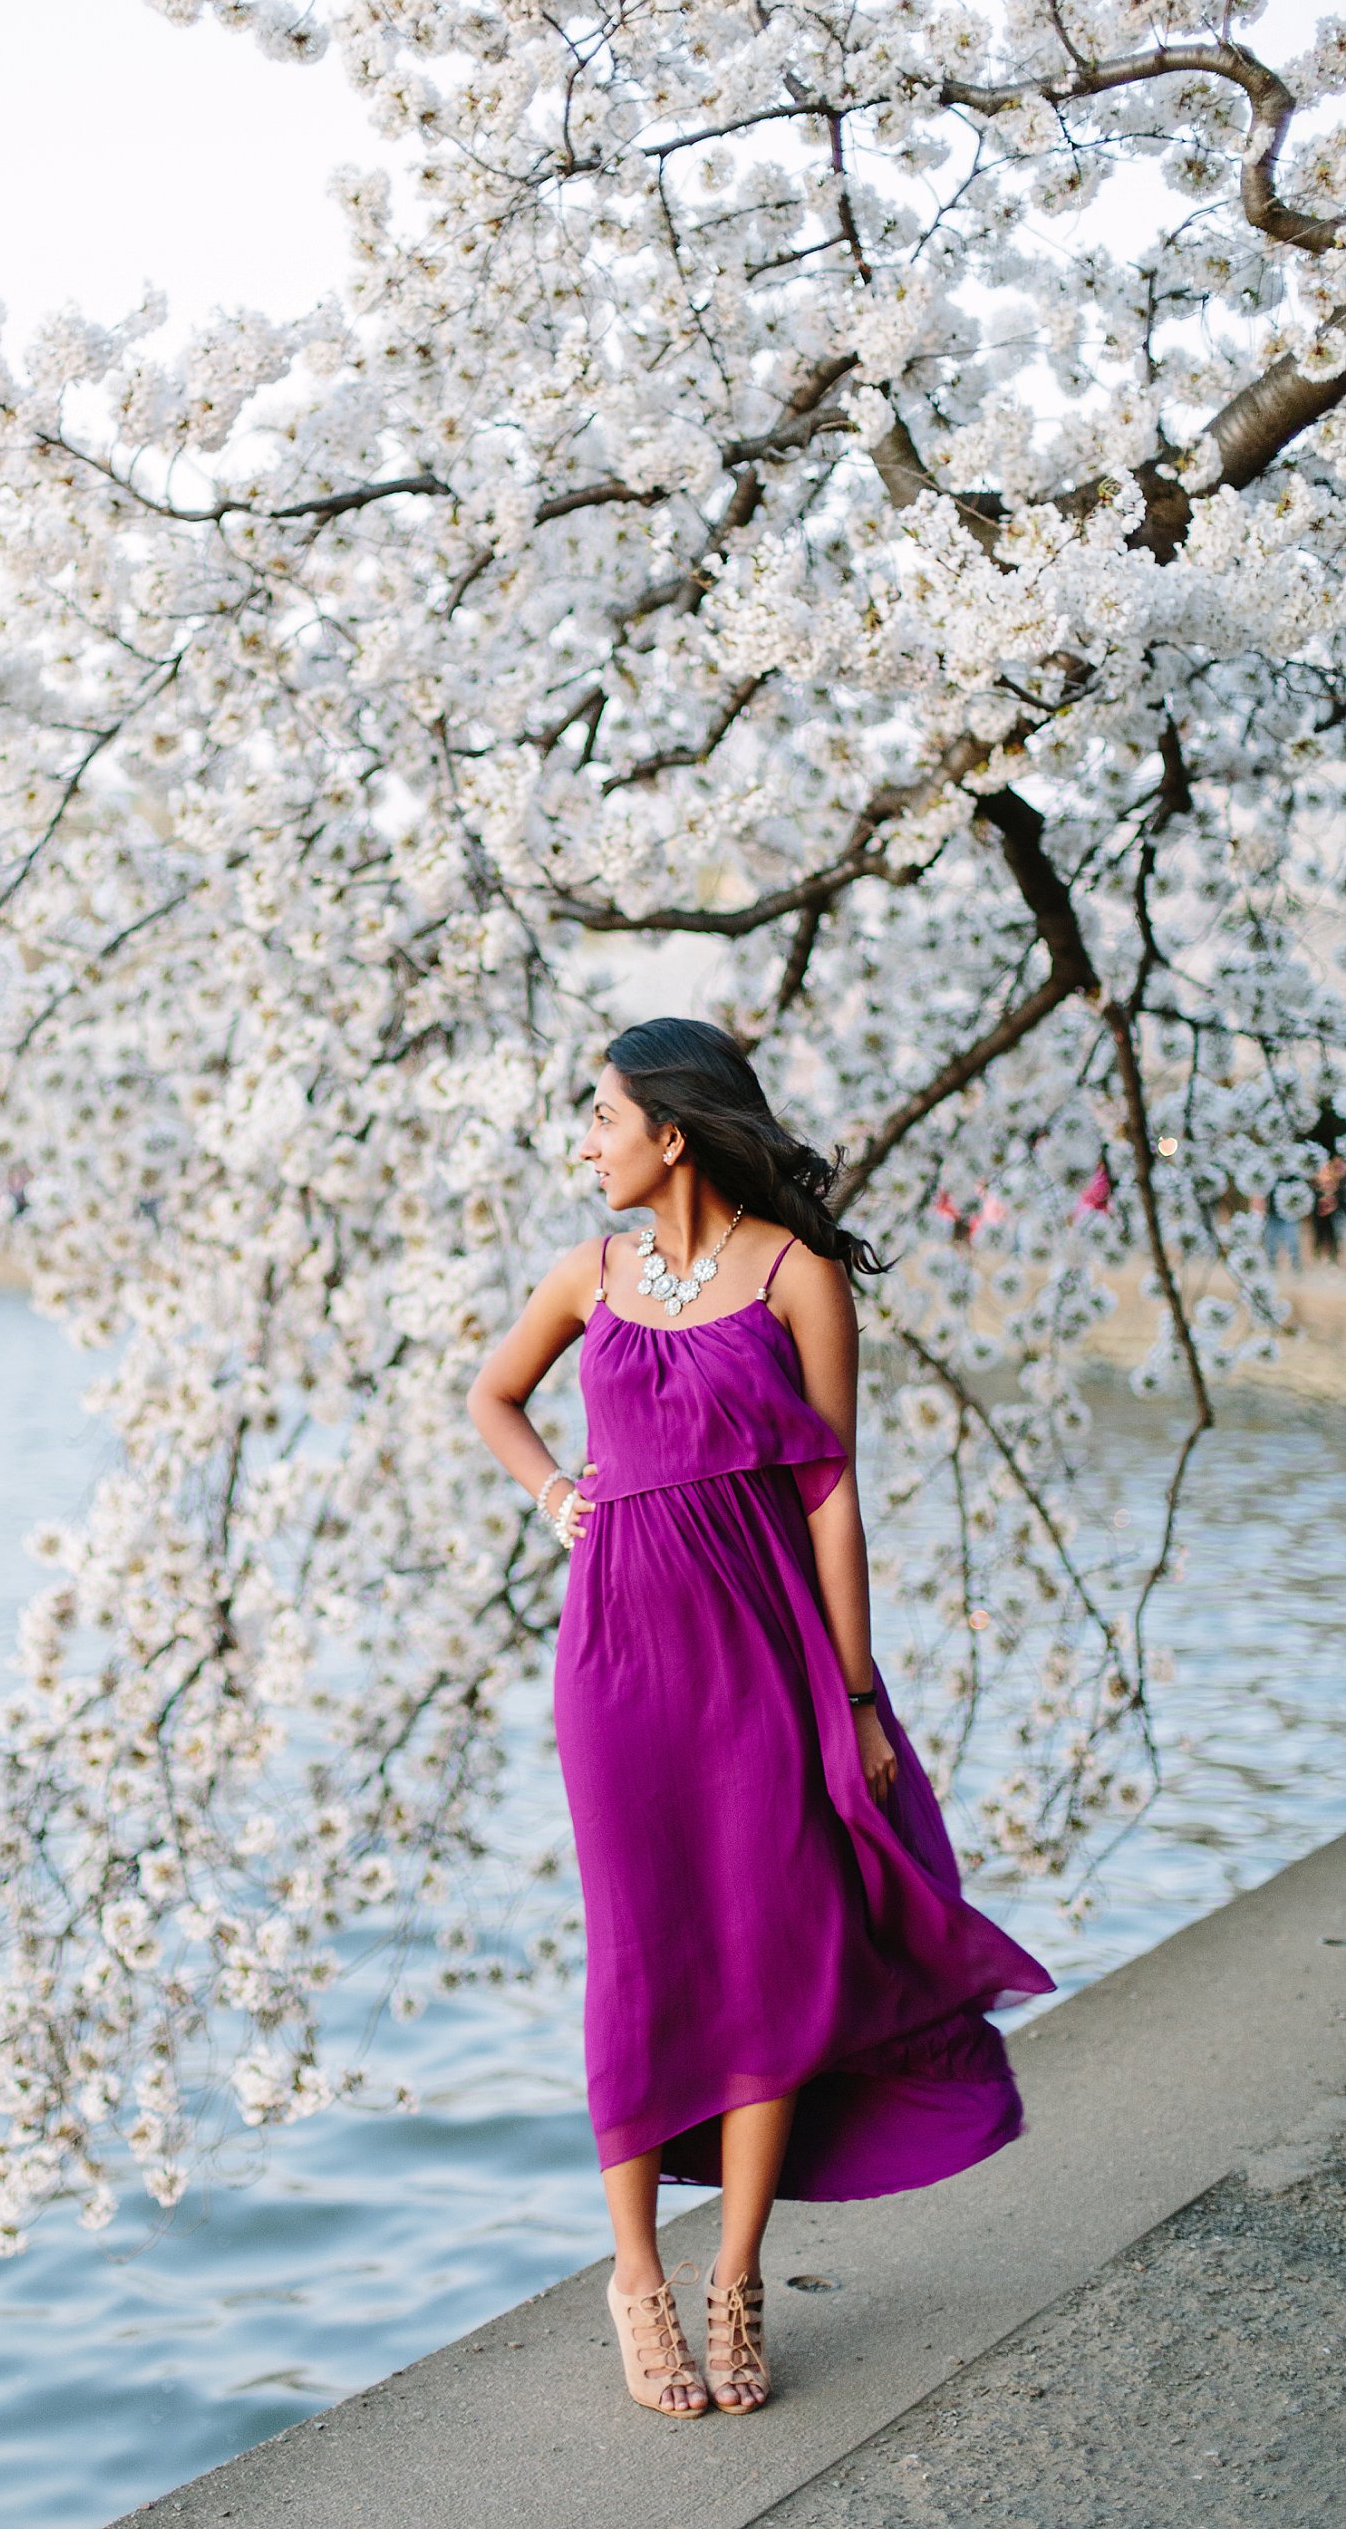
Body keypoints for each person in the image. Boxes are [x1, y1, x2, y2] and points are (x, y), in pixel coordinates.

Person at [465, 1018, 1051, 2422]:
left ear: (672, 1130)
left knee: (770, 1948)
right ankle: (636, 2280)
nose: (583, 1141)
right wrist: (559, 1499)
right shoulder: (587, 1273)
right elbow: (493, 1395)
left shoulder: (799, 1280)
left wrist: (855, 1691)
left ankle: (734, 2274)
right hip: (618, 1660)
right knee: (642, 1951)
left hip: (764, 1653)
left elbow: (831, 1493)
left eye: (600, 1115)